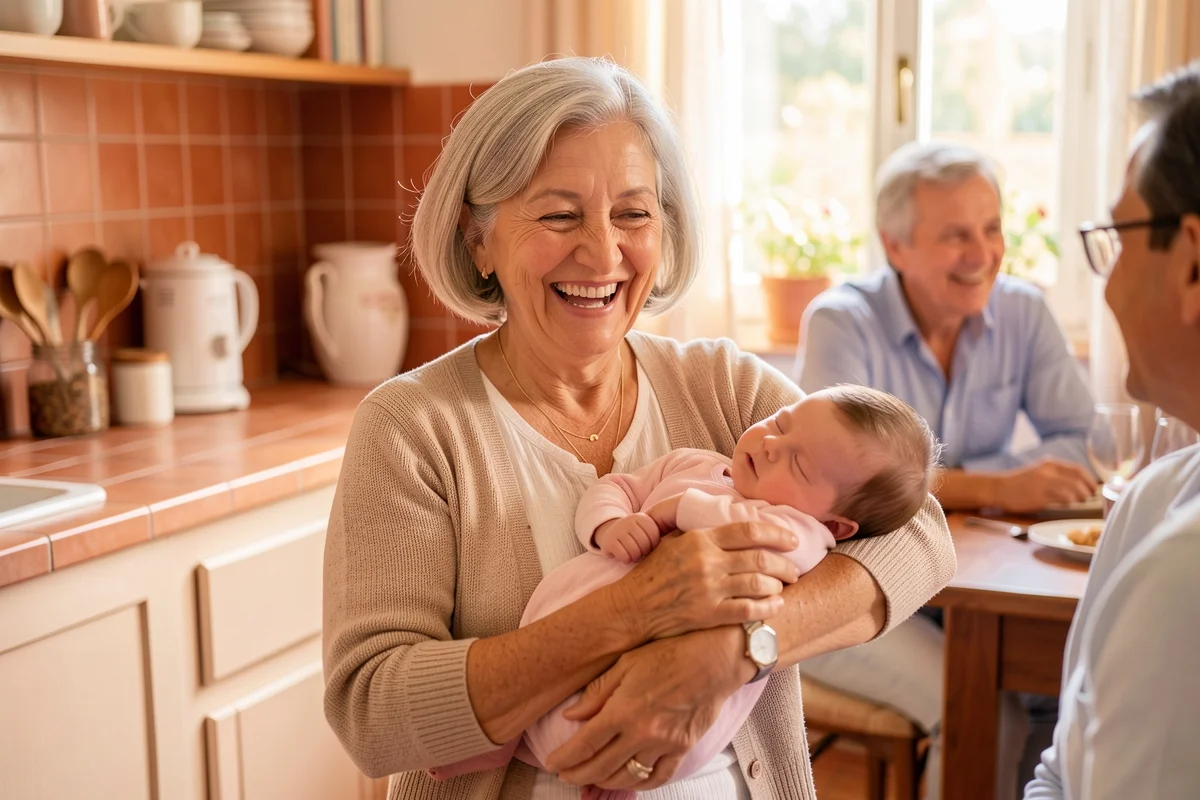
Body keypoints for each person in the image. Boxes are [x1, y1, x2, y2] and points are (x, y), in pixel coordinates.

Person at [322, 56, 956, 800]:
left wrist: (734, 648)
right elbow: (371, 711)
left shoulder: (719, 384)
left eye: (633, 213)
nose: (602, 252)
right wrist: (637, 608)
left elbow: (921, 534)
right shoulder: (412, 427)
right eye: (559, 214)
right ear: (477, 238)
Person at [426, 386, 940, 796]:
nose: (770, 445)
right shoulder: (694, 463)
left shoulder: (803, 534)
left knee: (617, 735)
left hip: (670, 711)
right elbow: (620, 486)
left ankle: (610, 774)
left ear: (838, 523)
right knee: (535, 701)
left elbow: (766, 542)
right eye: (780, 422)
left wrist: (679, 510)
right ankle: (496, 746)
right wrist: (608, 525)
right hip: (566, 637)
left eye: (798, 465)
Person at [793, 141, 1098, 799]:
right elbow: (840, 482)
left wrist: (955, 484)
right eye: (956, 234)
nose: (982, 252)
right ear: (895, 246)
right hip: (842, 589)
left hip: (961, 583)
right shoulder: (841, 322)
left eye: (992, 229)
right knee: (987, 710)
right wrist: (997, 487)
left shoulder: (1024, 311)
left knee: (1060, 694)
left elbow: (1081, 441)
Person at [1023, 62, 1200, 800]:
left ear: (1191, 261)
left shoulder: (1182, 581)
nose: (1108, 277)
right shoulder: (1152, 501)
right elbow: (1061, 769)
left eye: (1118, 237)